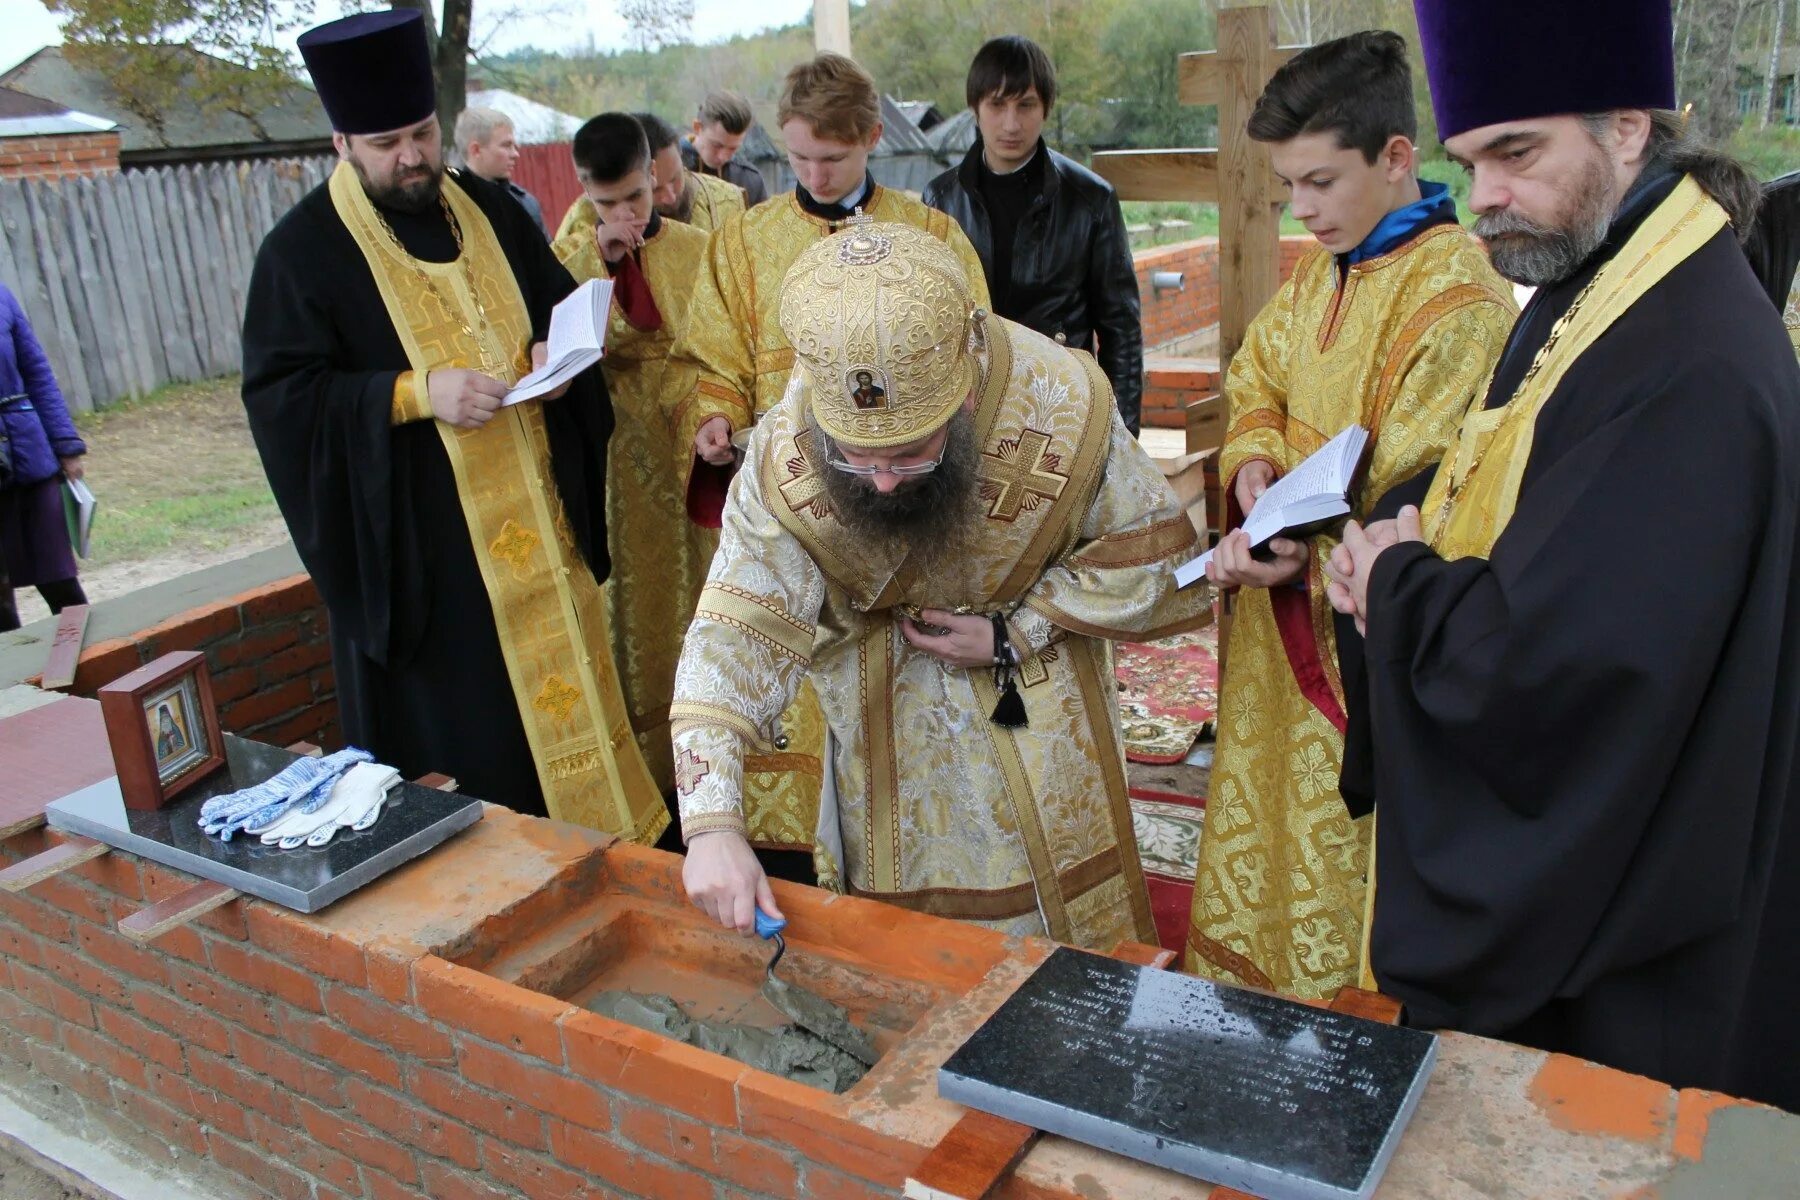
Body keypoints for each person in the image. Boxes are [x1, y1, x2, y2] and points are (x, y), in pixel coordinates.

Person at [1324, 0, 1800, 1110]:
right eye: (1468, 163)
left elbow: (1568, 672)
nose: (1484, 196)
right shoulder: (1611, 277)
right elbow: (1521, 479)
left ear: (1627, 127)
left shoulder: (1691, 361)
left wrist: (1399, 590)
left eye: (1517, 153)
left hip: (1644, 936)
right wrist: (1400, 520)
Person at [675, 221, 1212, 947]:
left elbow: (1153, 554)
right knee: (905, 950)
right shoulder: (787, 452)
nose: (883, 481)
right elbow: (732, 629)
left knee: (1049, 946)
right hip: (880, 716)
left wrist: (1018, 630)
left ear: (961, 401)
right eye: (855, 458)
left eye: (909, 454)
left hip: (1034, 699)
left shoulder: (1060, 404)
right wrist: (710, 823)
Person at [241, 10, 664, 842]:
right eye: (386, 143)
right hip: (431, 567)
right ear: (342, 144)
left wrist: (553, 355)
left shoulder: (489, 209)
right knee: (481, 764)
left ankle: (612, 862)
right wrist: (414, 393)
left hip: (542, 534)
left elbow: (557, 306)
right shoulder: (302, 253)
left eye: (422, 134)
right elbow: (284, 400)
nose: (411, 156)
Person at [1181, 31, 1516, 1003]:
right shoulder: (1323, 272)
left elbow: (1426, 501)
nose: (1303, 207)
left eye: (1321, 181)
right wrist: (1253, 465)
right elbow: (1258, 379)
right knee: (1263, 827)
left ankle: (1336, 1024)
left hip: (1351, 645)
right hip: (1276, 629)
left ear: (1397, 156)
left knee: (1337, 860)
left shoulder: (1459, 303)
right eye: (1290, 184)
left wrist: (1299, 555)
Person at [670, 53, 990, 883]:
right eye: (800, 157)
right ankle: (783, 852)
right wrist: (713, 414)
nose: (814, 175)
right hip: (789, 509)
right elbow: (711, 355)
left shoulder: (929, 238)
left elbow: (976, 362)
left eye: (833, 158)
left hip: (900, 509)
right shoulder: (744, 241)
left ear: (873, 138)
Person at [549, 113, 715, 796]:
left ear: (655, 176)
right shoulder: (568, 255)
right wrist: (602, 260)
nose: (626, 215)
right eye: (608, 203)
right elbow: (556, 339)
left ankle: (713, 749)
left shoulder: (698, 248)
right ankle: (647, 775)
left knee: (705, 589)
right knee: (632, 605)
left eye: (637, 197)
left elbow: (718, 345)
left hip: (692, 445)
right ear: (585, 191)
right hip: (616, 456)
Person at [924, 36, 1144, 432]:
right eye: (997, 105)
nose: (1011, 124)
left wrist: (1120, 436)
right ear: (975, 108)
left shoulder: (1090, 199)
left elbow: (1121, 329)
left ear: (1045, 108)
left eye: (1025, 105)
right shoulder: (940, 199)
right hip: (970, 410)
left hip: (1064, 405)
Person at [0, 280, 88, 633]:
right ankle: (11, 668)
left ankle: (90, 657)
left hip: (28, 455)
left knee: (59, 577)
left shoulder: (2, 297)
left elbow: (37, 373)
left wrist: (66, 446)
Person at [556, 113, 743, 242]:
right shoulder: (581, 223)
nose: (670, 197)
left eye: (675, 178)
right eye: (656, 189)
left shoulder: (726, 200)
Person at [454, 106, 545, 234]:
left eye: (514, 146)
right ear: (476, 150)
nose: (515, 154)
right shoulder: (449, 206)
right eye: (506, 145)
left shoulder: (525, 204)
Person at [681, 90, 768, 207]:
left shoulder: (750, 180)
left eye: (733, 148)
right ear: (697, 127)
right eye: (716, 145)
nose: (723, 157)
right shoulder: (671, 171)